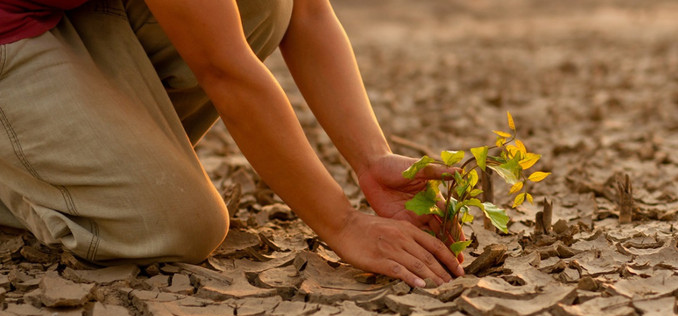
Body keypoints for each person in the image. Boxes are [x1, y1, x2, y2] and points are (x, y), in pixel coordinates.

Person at [0, 0, 464, 287]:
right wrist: (342, 224)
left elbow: (308, 12)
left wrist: (372, 160)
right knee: (176, 223)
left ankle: (77, 153)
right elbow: (225, 70)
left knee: (267, 3)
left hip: (54, 14)